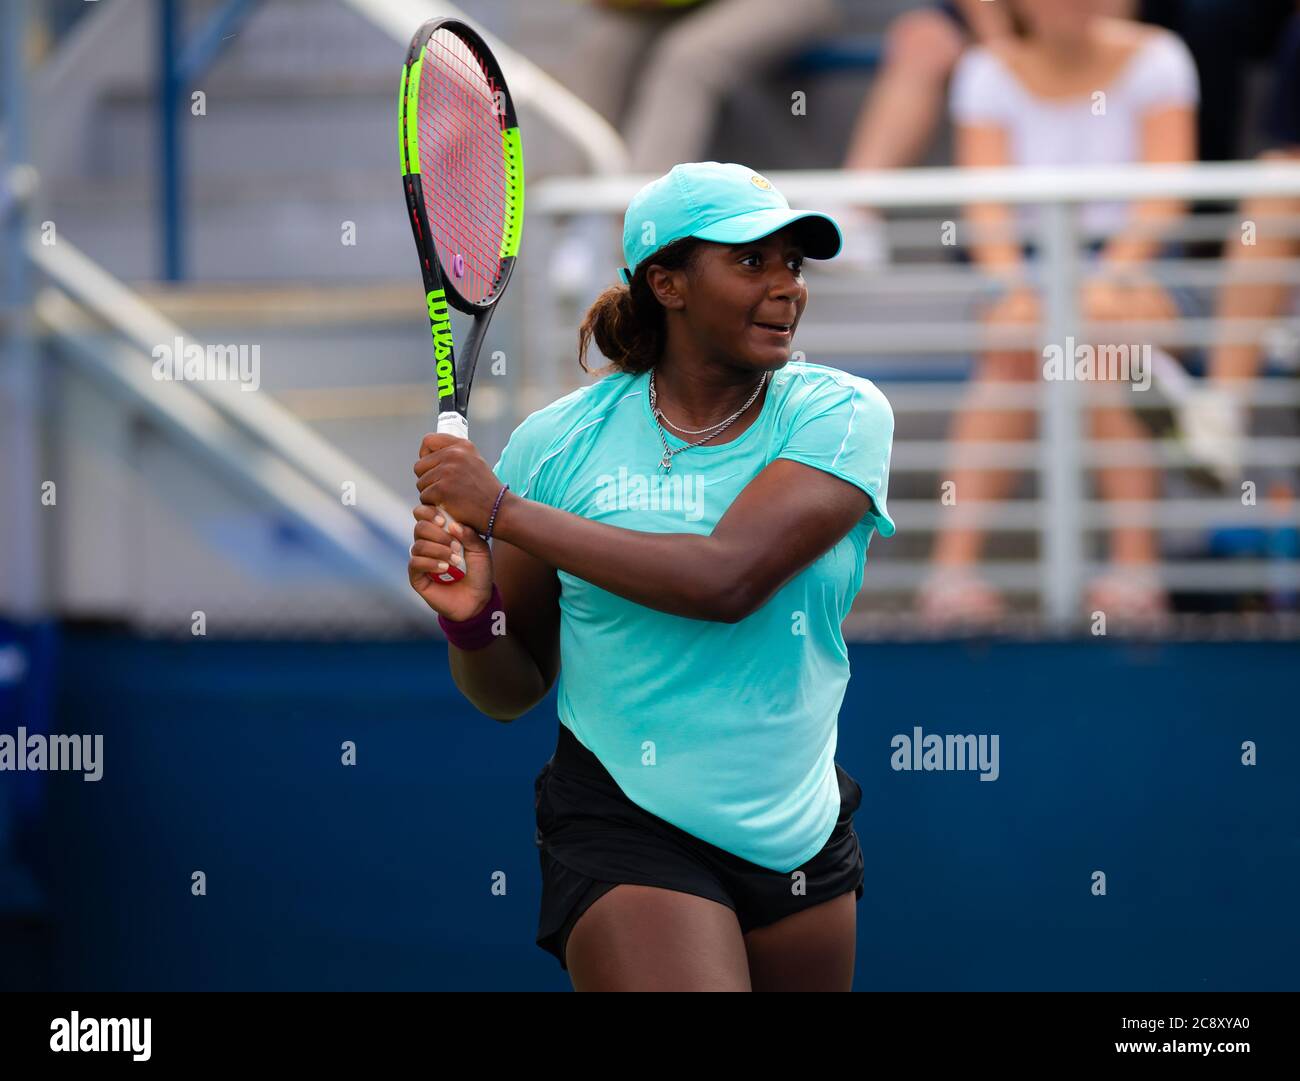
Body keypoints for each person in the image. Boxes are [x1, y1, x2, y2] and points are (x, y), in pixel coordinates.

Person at [408, 162, 896, 991]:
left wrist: (503, 512)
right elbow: (509, 687)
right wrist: (470, 615)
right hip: (623, 821)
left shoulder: (840, 414)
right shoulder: (556, 444)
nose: (786, 288)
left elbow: (726, 581)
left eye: (793, 265)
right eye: (751, 262)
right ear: (667, 283)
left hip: (799, 832)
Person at [917, 0, 1200, 628]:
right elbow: (987, 213)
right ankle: (953, 573)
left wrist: (1109, 277)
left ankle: (1134, 570)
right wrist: (1014, 286)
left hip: (1137, 270)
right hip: (1032, 270)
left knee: (1104, 345)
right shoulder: (987, 69)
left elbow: (1164, 197)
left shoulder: (1159, 57)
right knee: (1022, 344)